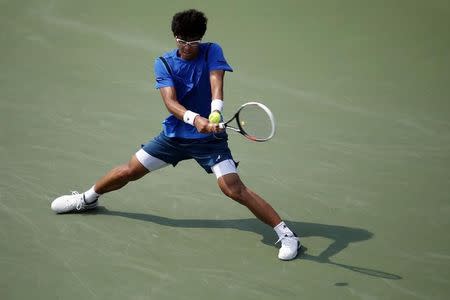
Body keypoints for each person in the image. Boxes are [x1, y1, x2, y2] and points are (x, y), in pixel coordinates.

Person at [51, 9, 301, 260]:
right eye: (182, 42)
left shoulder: (212, 50)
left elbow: (217, 84)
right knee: (129, 171)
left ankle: (287, 235)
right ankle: (86, 199)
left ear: (200, 40)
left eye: (193, 43)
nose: (188, 47)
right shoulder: (164, 62)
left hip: (209, 142)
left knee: (234, 189)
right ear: (175, 37)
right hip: (174, 137)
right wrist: (195, 119)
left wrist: (214, 114)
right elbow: (170, 102)